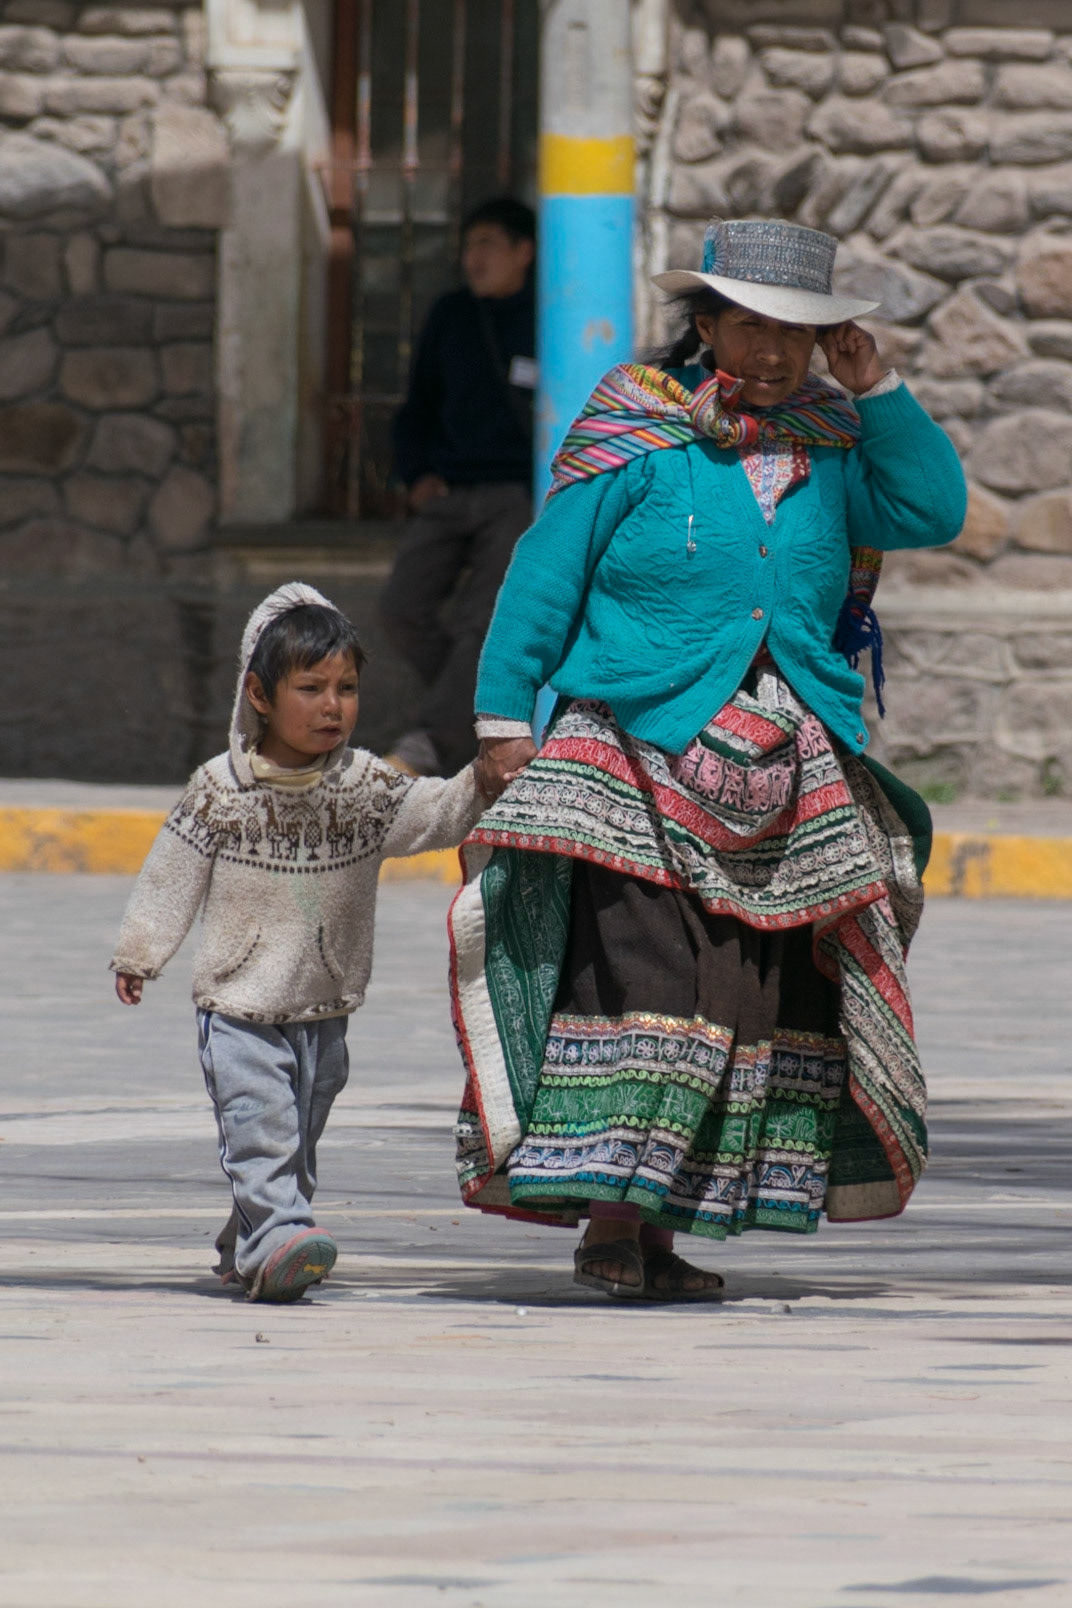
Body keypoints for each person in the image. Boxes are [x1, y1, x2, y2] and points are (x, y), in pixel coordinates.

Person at [448, 217, 968, 1302]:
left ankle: (660, 1233)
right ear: (707, 323)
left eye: (798, 332)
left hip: (788, 757)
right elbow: (549, 569)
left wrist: (876, 390)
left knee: (743, 995)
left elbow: (930, 508)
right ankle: (606, 1221)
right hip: (636, 741)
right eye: (751, 325)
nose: (774, 352)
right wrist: (503, 718)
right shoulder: (633, 429)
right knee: (650, 978)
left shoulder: (832, 440)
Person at [111, 582, 489, 1303]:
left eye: (346, 688)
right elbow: (170, 874)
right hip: (237, 1003)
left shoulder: (365, 788)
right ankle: (282, 1232)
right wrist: (140, 951)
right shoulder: (220, 790)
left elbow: (436, 812)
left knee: (296, 1138)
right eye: (310, 688)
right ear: (258, 693)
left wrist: (484, 778)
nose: (332, 705)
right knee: (261, 1129)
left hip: (324, 1003)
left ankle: (254, 1240)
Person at [381, 195, 536, 779]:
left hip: (515, 496)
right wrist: (417, 474)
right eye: (468, 246)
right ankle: (479, 714)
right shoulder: (451, 314)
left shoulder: (550, 314)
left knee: (483, 620)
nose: (474, 258)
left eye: (487, 245)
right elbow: (416, 405)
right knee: (401, 607)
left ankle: (427, 743)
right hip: (448, 494)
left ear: (524, 252)